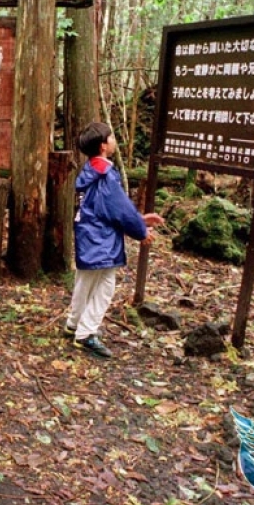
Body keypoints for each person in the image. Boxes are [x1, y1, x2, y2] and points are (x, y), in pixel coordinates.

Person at [65, 121, 165, 358]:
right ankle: (86, 333)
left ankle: (73, 324)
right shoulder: (106, 176)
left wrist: (139, 219)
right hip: (101, 238)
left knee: (85, 280)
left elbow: (107, 207)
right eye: (110, 137)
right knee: (105, 285)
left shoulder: (90, 171)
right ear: (103, 145)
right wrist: (141, 230)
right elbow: (119, 209)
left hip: (88, 234)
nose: (114, 140)